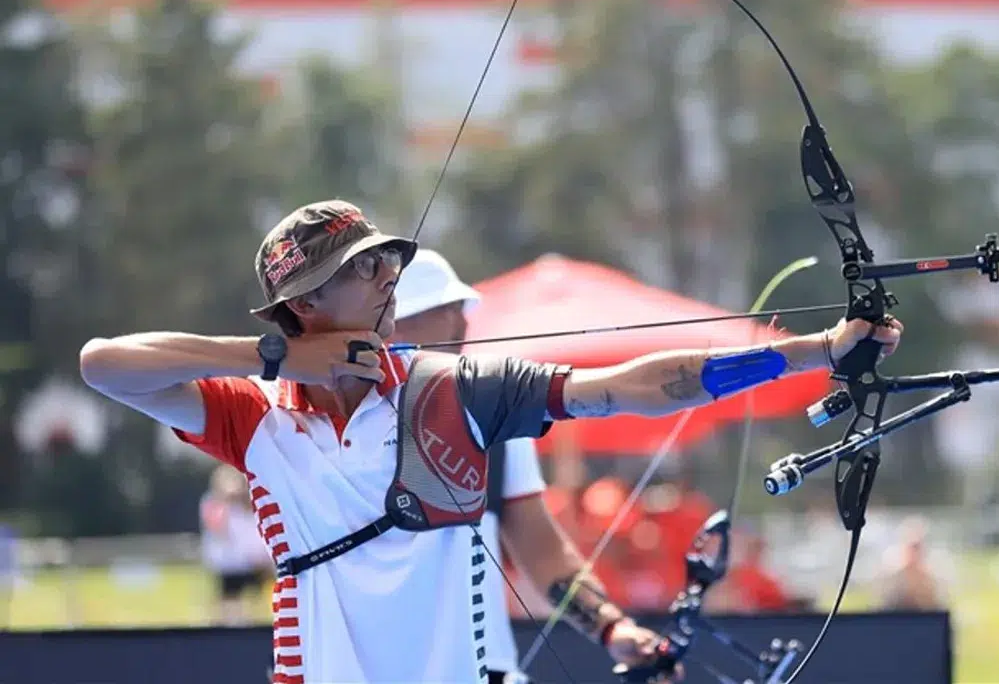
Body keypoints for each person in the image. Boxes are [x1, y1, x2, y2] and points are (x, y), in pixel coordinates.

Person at [78, 200, 904, 684]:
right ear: (304, 302)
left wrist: (815, 351)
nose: (388, 280)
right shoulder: (257, 416)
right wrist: (275, 357)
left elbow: (634, 387)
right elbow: (104, 365)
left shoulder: (456, 389)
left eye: (387, 266)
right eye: (366, 271)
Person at [393, 249, 646, 683]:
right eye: (447, 310)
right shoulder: (328, 421)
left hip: (483, 670)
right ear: (392, 324)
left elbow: (539, 544)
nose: (464, 324)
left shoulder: (494, 415)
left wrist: (610, 626)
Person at [198, 463, 273, 624]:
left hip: (250, 562)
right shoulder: (213, 503)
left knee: (255, 603)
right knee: (227, 603)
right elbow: (217, 526)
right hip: (227, 563)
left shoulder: (249, 503)